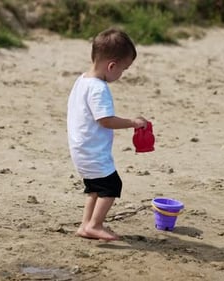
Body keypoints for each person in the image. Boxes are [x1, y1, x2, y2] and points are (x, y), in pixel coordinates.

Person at [67, 28, 149, 241]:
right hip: (92, 151)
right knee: (112, 185)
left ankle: (85, 225)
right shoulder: (98, 88)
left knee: (95, 187)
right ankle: (95, 224)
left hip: (81, 148)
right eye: (124, 69)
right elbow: (105, 120)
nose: (122, 74)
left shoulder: (82, 80)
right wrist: (133, 123)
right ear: (112, 66)